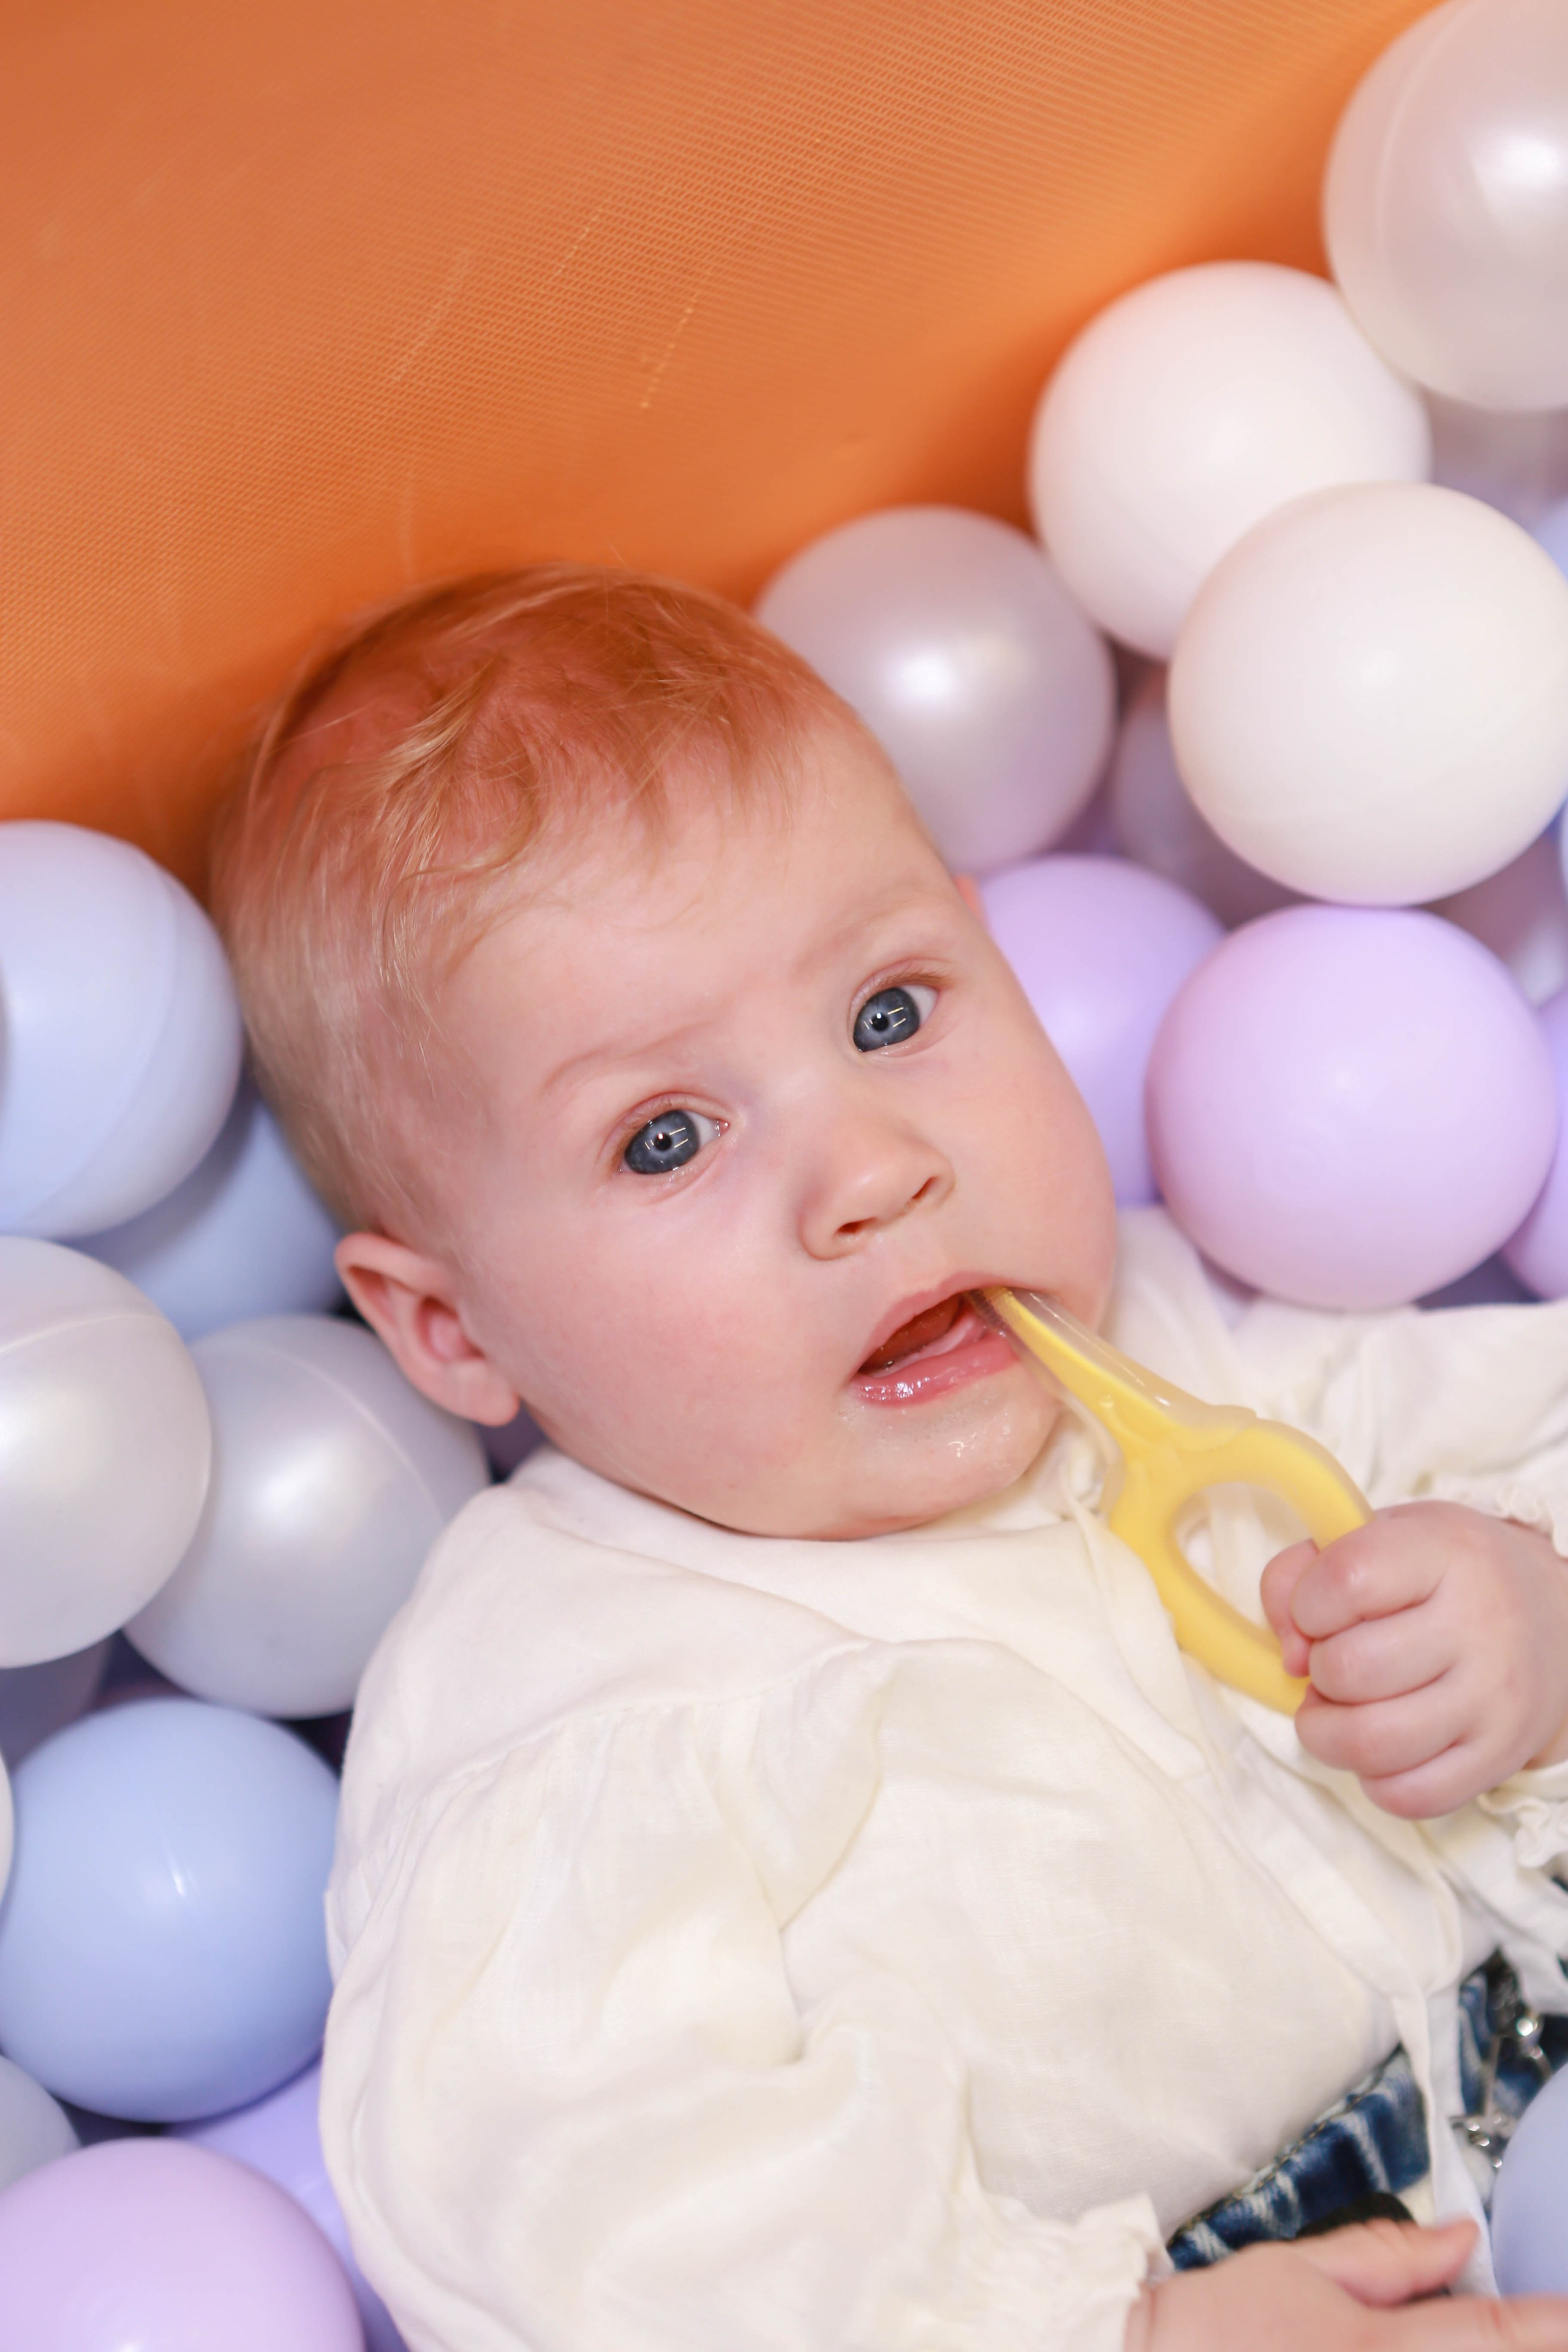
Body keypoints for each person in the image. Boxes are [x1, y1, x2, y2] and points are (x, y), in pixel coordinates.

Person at [213, 565, 1568, 2352]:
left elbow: (1517, 1416)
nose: (873, 1170)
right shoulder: (565, 1704)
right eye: (668, 1136)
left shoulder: (1180, 1336)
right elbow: (598, 2224)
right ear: (454, 1332)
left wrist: (1526, 1602)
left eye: (890, 1015)